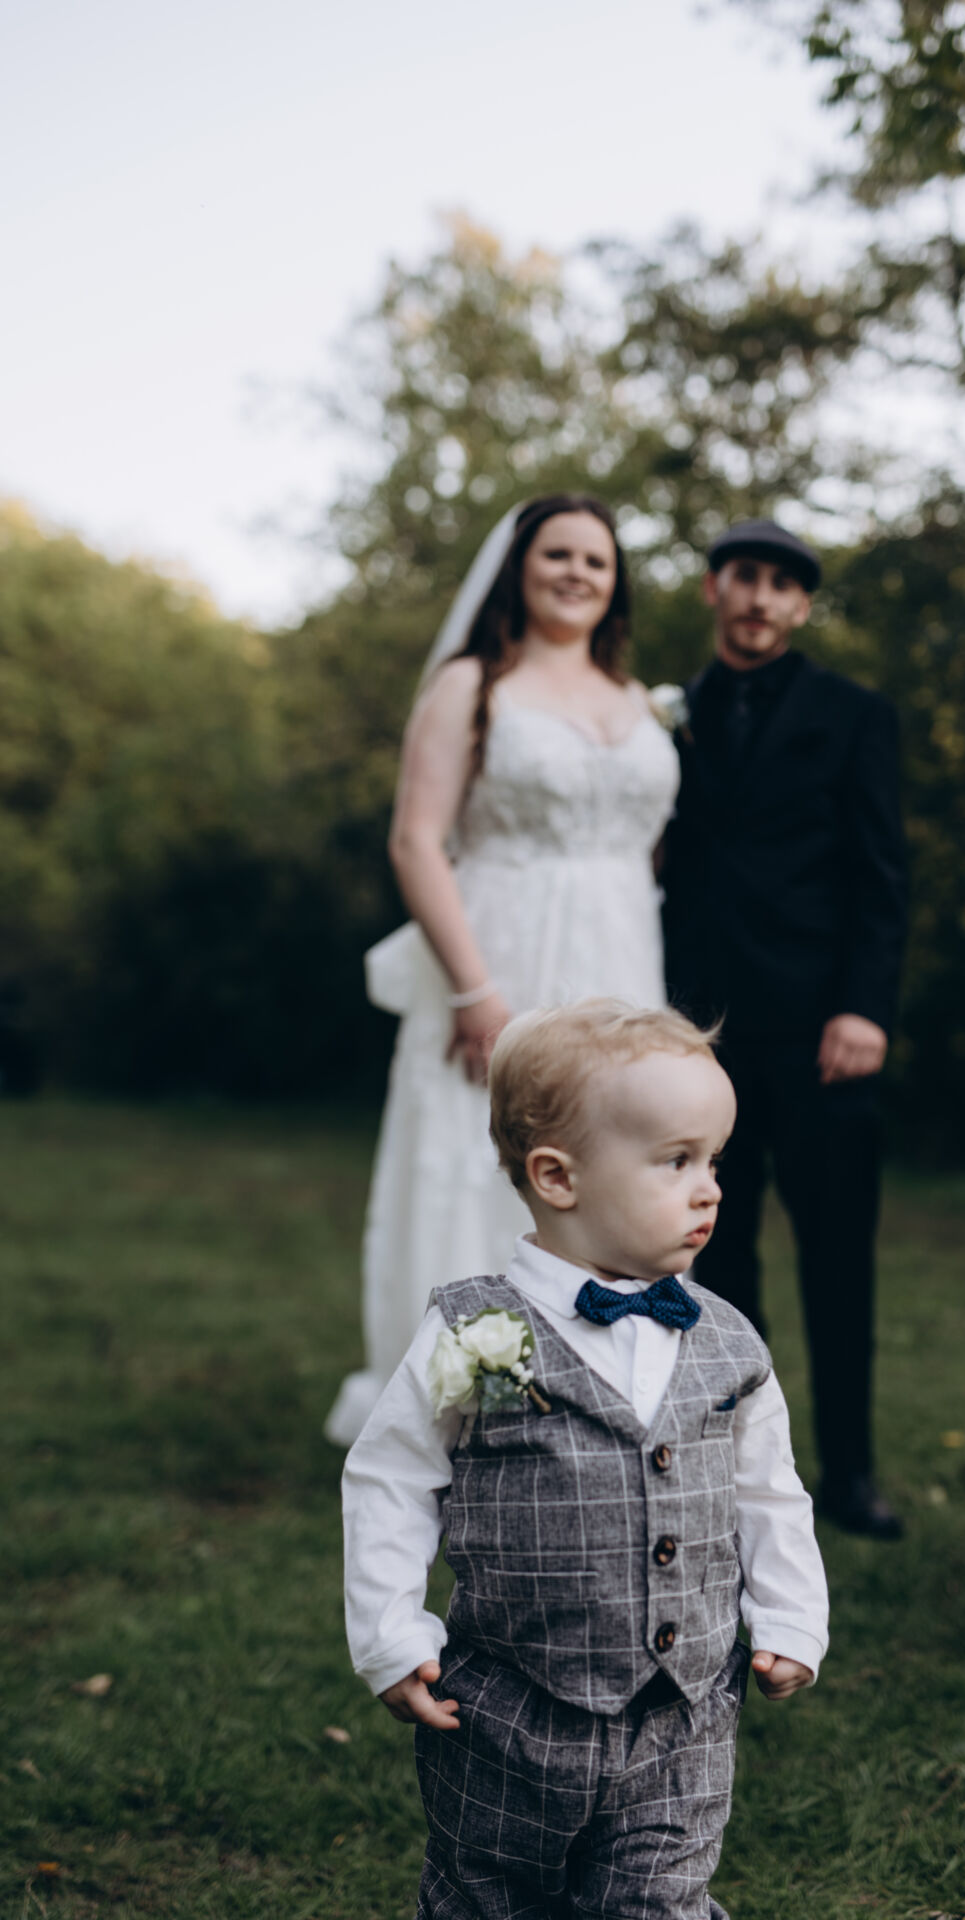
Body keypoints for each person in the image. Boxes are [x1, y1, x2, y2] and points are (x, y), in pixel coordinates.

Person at [342, 998, 828, 1920]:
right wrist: (392, 1635)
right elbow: (393, 1479)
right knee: (488, 1899)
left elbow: (769, 1492)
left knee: (657, 1901)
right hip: (508, 1717)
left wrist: (792, 1617)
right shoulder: (478, 1332)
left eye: (715, 1160)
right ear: (558, 1177)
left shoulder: (728, 1340)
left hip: (682, 1718)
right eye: (676, 1161)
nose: (710, 1189)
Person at [325, 498, 679, 1446]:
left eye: (596, 560)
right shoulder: (473, 684)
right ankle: (471, 1399)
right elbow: (415, 840)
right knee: (480, 1156)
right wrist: (474, 993)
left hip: (620, 957)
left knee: (611, 1156)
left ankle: (599, 1393)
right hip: (501, 950)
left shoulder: (636, 700)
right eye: (557, 554)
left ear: (616, 582)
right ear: (519, 568)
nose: (576, 573)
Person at [661, 519, 909, 1539]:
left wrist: (864, 1006)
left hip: (820, 1034)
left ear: (800, 606)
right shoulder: (667, 716)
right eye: (744, 577)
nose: (760, 597)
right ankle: (736, 1469)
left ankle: (849, 1475)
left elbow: (881, 874)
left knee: (836, 1260)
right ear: (715, 589)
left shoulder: (854, 715)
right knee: (713, 1261)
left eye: (781, 584)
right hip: (698, 1036)